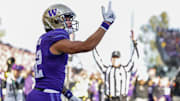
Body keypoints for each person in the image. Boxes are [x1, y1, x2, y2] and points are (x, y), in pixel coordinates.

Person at [26, 1, 115, 101]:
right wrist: (105, 24)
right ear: (55, 21)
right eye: (66, 19)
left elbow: (52, 80)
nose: (69, 22)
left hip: (39, 93)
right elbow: (87, 46)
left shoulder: (46, 40)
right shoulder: (56, 41)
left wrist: (69, 95)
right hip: (47, 96)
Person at [92, 35, 138, 101]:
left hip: (122, 98)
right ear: (111, 59)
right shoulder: (107, 69)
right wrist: (93, 45)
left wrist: (134, 43)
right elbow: (98, 60)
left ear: (120, 59)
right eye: (114, 58)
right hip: (109, 98)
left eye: (117, 58)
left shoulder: (126, 69)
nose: (115, 60)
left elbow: (134, 58)